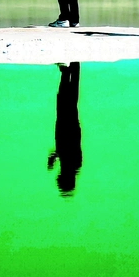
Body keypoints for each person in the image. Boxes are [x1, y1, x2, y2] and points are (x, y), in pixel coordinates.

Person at [48, 62, 82, 196]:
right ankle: (71, 68)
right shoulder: (74, 165)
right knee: (67, 99)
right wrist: (55, 156)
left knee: (65, 98)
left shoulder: (72, 166)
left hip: (65, 128)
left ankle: (68, 71)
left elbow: (63, 151)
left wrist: (54, 157)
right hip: (68, 128)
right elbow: (68, 149)